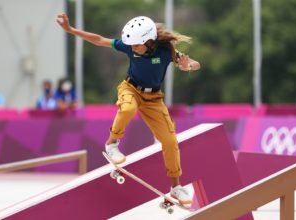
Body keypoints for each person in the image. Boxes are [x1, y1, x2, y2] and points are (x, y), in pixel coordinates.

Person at [56, 13, 200, 204]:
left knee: (170, 140)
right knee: (127, 109)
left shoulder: (166, 50)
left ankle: (176, 187)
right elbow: (99, 40)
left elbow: (195, 64)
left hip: (154, 99)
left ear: (149, 41)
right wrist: (71, 30)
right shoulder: (130, 46)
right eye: (131, 45)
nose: (133, 49)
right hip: (130, 88)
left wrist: (187, 66)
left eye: (137, 45)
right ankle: (112, 143)